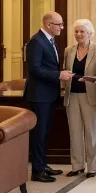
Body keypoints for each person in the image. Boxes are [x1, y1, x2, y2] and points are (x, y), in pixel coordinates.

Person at [24, 12, 73, 183]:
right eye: (59, 24)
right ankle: (37, 170)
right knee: (39, 133)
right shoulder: (36, 42)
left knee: (45, 133)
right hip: (39, 96)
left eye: (62, 24)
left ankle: (43, 165)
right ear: (48, 24)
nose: (62, 27)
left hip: (50, 95)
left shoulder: (51, 41)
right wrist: (59, 75)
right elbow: (34, 70)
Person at [63, 19, 96, 178]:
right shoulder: (69, 50)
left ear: (90, 33)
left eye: (82, 31)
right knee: (74, 132)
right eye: (76, 31)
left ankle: (93, 166)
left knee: (92, 132)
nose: (79, 34)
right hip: (72, 95)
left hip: (91, 96)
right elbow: (64, 70)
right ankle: (77, 165)